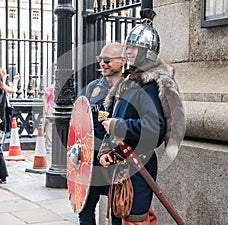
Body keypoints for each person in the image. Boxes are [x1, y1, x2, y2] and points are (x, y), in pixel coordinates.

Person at [98, 9, 186, 225]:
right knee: (121, 217)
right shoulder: (130, 83)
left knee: (135, 220)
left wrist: (118, 125)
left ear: (147, 51)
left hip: (138, 166)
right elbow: (114, 121)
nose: (128, 51)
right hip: (121, 165)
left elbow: (153, 129)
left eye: (134, 47)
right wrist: (108, 151)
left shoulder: (150, 87)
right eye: (128, 46)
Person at [78, 42, 125, 225]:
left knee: (117, 211)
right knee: (85, 208)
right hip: (91, 160)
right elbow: (82, 118)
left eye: (107, 60)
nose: (102, 64)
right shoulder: (93, 88)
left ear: (122, 61)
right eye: (100, 60)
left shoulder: (129, 88)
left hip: (116, 159)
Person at [42, 84, 55, 153]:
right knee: (48, 129)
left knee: (50, 129)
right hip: (50, 109)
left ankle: (49, 146)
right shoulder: (51, 88)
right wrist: (46, 109)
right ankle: (49, 147)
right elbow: (44, 98)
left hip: (54, 109)